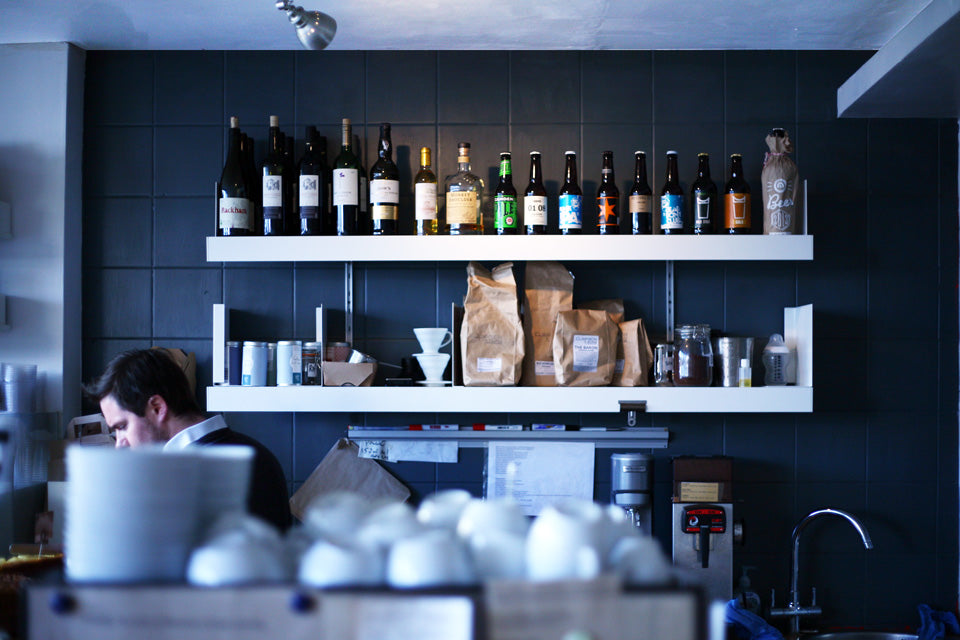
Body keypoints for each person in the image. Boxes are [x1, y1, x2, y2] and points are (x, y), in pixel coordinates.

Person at [83, 348, 292, 532]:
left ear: (157, 408)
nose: (120, 444)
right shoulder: (257, 453)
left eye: (122, 427)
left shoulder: (181, 480)